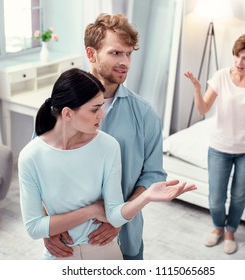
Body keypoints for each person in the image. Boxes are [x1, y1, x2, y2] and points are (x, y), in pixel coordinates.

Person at [18, 68, 196, 260]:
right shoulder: (31, 156)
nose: (101, 115)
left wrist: (146, 197)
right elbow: (34, 227)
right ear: (68, 114)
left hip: (103, 252)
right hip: (58, 255)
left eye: (101, 106)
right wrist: (91, 211)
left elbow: (114, 215)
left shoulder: (107, 146)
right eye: (95, 109)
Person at [43, 13, 169, 260]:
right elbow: (40, 171)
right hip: (68, 239)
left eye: (129, 54)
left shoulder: (144, 115)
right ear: (91, 54)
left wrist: (121, 218)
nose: (125, 62)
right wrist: (47, 227)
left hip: (123, 239)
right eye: (115, 53)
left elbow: (153, 174)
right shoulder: (57, 108)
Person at [184, 34, 245, 254]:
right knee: (216, 197)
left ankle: (230, 231)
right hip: (219, 148)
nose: (240, 62)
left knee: (239, 195)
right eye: (238, 56)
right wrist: (197, 89)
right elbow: (202, 109)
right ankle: (218, 227)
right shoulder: (221, 76)